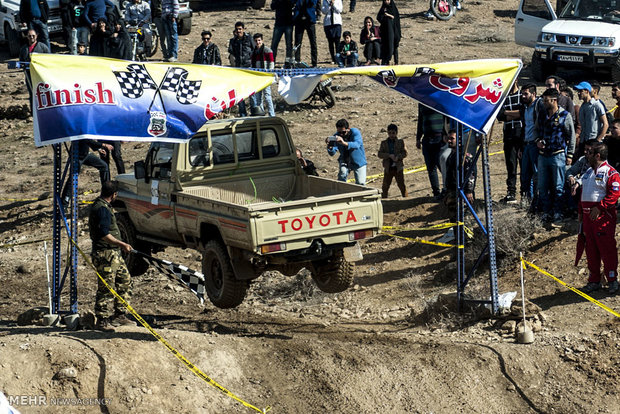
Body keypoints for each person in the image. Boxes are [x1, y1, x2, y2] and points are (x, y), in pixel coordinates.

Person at [89, 180, 135, 331]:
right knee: (106, 287)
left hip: (113, 254)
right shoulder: (102, 209)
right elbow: (104, 234)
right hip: (105, 254)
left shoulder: (103, 206)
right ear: (114, 195)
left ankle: (119, 314)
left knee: (124, 280)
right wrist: (122, 244)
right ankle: (102, 320)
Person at [574, 141, 620, 294]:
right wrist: (580, 211)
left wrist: (600, 207)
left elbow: (614, 194)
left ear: (597, 155)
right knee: (591, 249)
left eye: (589, 152)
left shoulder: (611, 172)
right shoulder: (588, 172)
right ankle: (594, 280)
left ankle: (612, 280)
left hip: (603, 217)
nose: (586, 155)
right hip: (587, 218)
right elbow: (583, 193)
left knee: (607, 249)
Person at [536, 88, 576, 225]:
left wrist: (570, 154)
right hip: (542, 156)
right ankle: (546, 212)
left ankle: (558, 213)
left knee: (558, 186)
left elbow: (571, 136)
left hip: (558, 155)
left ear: (554, 100)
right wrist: (537, 141)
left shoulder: (565, 115)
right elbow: (536, 131)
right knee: (542, 186)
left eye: (546, 100)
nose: (544, 102)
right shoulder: (542, 114)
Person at [519, 83, 544, 210]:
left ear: (533, 94)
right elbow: (523, 127)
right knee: (525, 174)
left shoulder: (539, 106)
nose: (523, 96)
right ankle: (527, 199)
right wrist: (520, 146)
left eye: (526, 93)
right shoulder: (524, 107)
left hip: (535, 144)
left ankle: (537, 200)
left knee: (536, 173)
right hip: (526, 144)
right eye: (522, 93)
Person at [497, 79, 522, 204]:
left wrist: (508, 113)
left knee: (524, 166)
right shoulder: (503, 97)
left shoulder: (522, 95)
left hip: (521, 135)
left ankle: (525, 193)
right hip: (508, 134)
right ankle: (511, 192)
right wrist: (514, 113)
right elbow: (500, 115)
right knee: (511, 165)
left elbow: (522, 113)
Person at [416, 104, 446, 199]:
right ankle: (436, 192)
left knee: (442, 165)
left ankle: (449, 190)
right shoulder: (421, 101)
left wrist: (446, 134)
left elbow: (446, 117)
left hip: (439, 137)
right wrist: (418, 138)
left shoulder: (439, 98)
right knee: (431, 167)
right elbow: (420, 120)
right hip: (427, 139)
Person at [326, 118, 367, 185]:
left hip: (358, 161)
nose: (341, 134)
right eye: (339, 132)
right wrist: (330, 147)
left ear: (348, 129)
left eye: (343, 132)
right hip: (345, 160)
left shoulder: (355, 132)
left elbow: (356, 145)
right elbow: (332, 153)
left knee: (361, 183)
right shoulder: (336, 136)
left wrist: (343, 143)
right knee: (342, 176)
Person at [19, 29, 50, 113]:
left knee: (43, 93)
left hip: (41, 75)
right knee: (32, 93)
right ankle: (34, 112)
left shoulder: (42, 47)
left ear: (36, 36)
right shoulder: (24, 49)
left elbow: (49, 59)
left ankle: (45, 110)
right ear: (27, 37)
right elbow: (21, 61)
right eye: (29, 36)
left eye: (33, 35)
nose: (31, 37)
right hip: (29, 75)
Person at [228, 21, 254, 116]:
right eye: (237, 29)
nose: (239, 31)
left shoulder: (249, 39)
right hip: (238, 69)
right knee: (239, 93)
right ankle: (243, 113)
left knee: (251, 91)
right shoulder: (233, 41)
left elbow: (254, 50)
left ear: (243, 29)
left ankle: (254, 111)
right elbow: (231, 54)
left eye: (240, 29)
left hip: (249, 68)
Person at [378, 123, 408, 198]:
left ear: (396, 133)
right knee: (385, 186)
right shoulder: (384, 143)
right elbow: (380, 154)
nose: (391, 135)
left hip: (398, 168)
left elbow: (405, 153)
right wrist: (389, 155)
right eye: (390, 133)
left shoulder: (401, 142)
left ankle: (406, 199)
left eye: (393, 133)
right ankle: (384, 200)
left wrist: (398, 157)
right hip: (388, 168)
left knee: (401, 185)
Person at [250, 33, 276, 117]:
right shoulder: (253, 52)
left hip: (265, 77)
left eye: (259, 40)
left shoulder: (267, 51)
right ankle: (260, 114)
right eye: (256, 41)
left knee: (267, 96)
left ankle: (272, 114)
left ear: (262, 40)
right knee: (258, 98)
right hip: (256, 77)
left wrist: (268, 74)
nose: (258, 42)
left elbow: (271, 63)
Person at [293, 0, 319, 68]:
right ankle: (297, 61)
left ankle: (314, 63)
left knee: (313, 42)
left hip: (310, 19)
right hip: (299, 19)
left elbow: (314, 2)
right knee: (297, 42)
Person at [270, 0, 294, 65]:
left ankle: (288, 62)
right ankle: (272, 62)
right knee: (274, 44)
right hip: (279, 23)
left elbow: (292, 4)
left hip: (288, 23)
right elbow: (272, 6)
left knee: (289, 45)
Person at [377, 0, 400, 65]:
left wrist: (388, 15)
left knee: (394, 46)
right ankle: (386, 61)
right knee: (385, 47)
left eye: (388, 0)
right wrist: (384, 16)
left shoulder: (393, 8)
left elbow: (396, 19)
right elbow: (379, 17)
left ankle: (396, 62)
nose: (387, 2)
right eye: (385, 0)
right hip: (385, 32)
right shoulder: (383, 8)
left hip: (394, 31)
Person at [321, 0, 342, 64]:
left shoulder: (338, 0)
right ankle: (333, 58)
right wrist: (329, 5)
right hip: (328, 23)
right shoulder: (325, 1)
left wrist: (334, 4)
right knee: (330, 42)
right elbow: (324, 11)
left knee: (337, 41)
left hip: (337, 22)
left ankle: (338, 57)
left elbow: (339, 10)